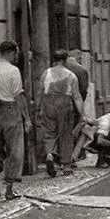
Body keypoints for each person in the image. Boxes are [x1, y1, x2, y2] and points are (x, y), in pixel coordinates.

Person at [0, 41, 32, 200]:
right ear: (13, 52)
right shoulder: (13, 70)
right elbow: (18, 95)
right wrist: (27, 118)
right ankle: (9, 189)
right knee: (15, 149)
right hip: (10, 109)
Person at [37, 49, 86, 177]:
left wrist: (39, 108)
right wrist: (82, 114)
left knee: (49, 131)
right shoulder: (70, 75)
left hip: (48, 102)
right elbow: (76, 96)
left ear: (53, 60)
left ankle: (50, 154)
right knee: (65, 133)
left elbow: (40, 92)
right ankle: (66, 165)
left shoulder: (45, 73)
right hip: (64, 103)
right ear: (65, 60)